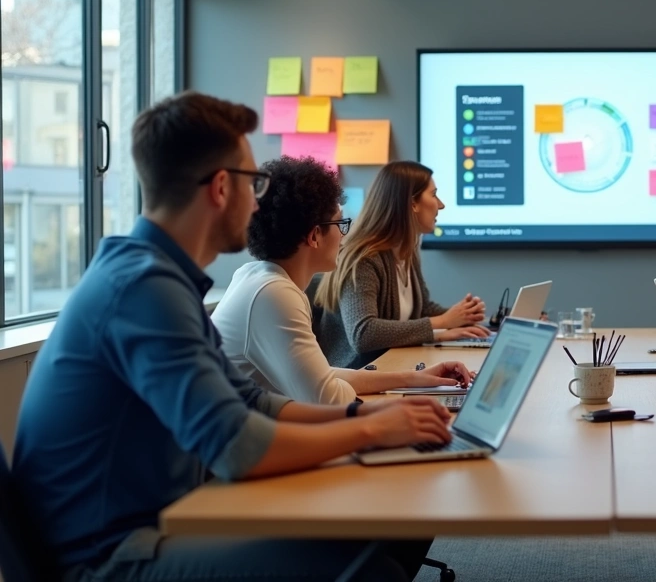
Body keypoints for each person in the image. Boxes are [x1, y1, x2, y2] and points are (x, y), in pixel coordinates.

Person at [11, 92, 451, 582]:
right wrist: (371, 431)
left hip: (156, 523)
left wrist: (366, 413)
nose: (259, 198)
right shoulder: (143, 289)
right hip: (109, 557)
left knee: (376, 535)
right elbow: (239, 447)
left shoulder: (159, 277)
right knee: (369, 568)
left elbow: (252, 402)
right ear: (222, 188)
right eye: (254, 181)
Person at [211, 156, 474, 404]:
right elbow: (329, 400)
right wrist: (398, 406)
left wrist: (417, 379)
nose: (344, 236)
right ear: (315, 236)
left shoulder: (257, 278)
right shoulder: (274, 294)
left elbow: (325, 377)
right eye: (341, 224)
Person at [311, 161, 488, 369]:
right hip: (355, 376)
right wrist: (442, 322)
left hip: (390, 366)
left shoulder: (405, 251)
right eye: (434, 195)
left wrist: (463, 316)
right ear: (412, 203)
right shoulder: (363, 258)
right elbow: (363, 334)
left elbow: (419, 309)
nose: (441, 205)